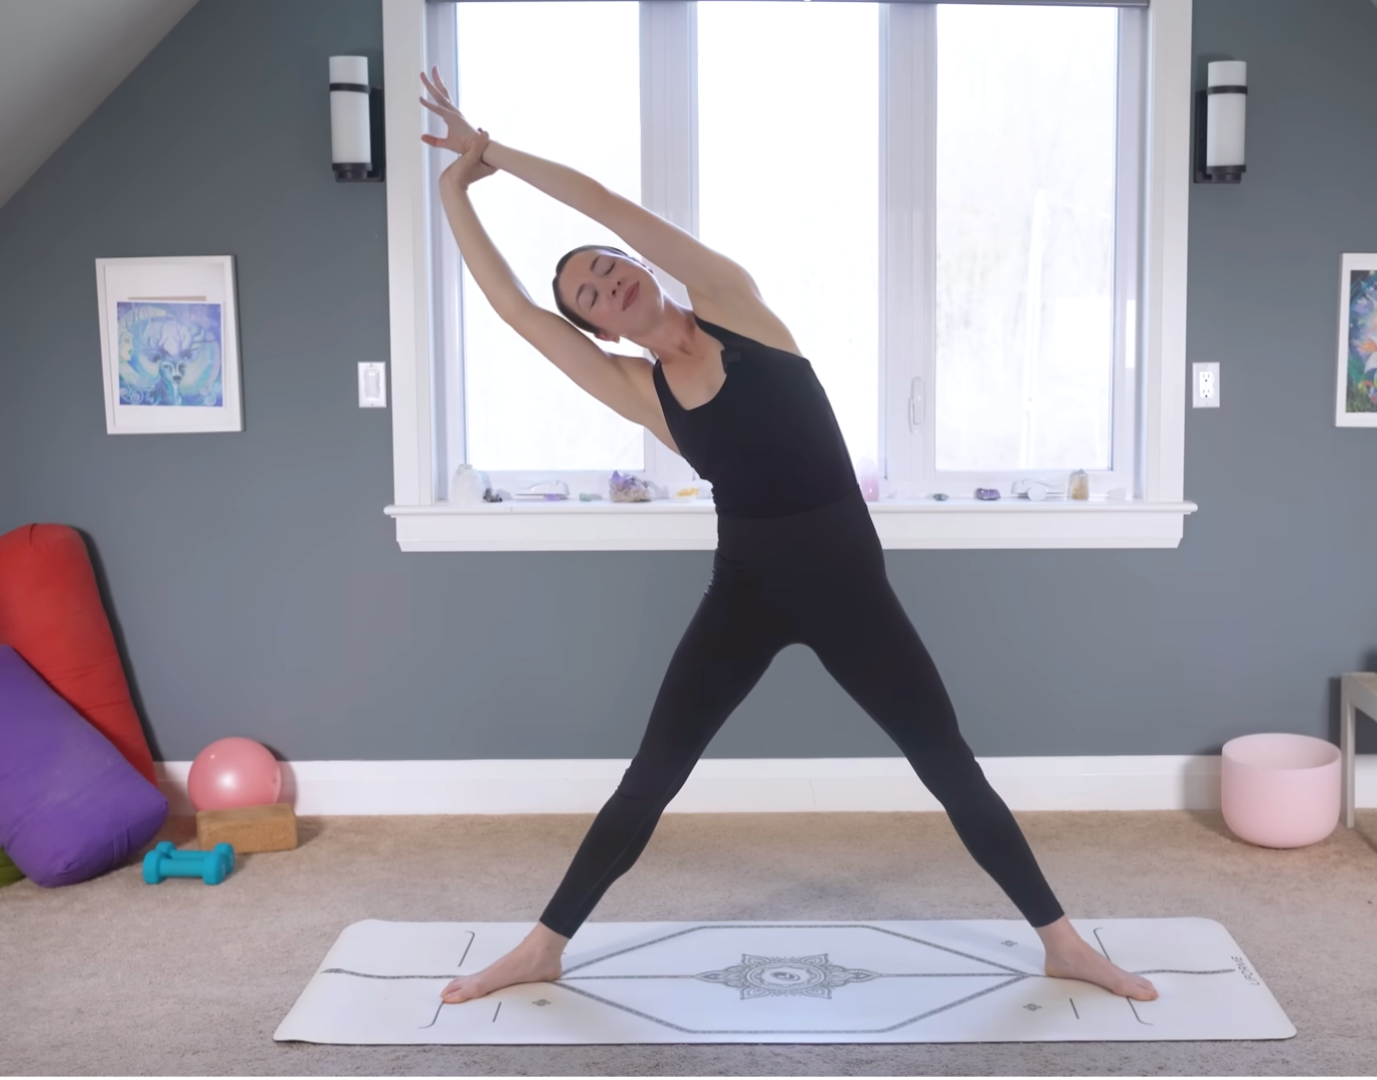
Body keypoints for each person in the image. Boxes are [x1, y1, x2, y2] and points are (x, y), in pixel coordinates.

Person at [417, 68, 1156, 1006]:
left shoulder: (735, 303)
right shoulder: (639, 392)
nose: (608, 284)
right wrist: (454, 188)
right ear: (596, 326)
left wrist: (495, 151)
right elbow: (517, 311)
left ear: (637, 268)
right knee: (654, 774)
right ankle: (544, 944)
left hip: (851, 589)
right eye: (591, 295)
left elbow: (603, 201)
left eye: (609, 267)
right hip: (748, 593)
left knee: (945, 759)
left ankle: (1061, 941)